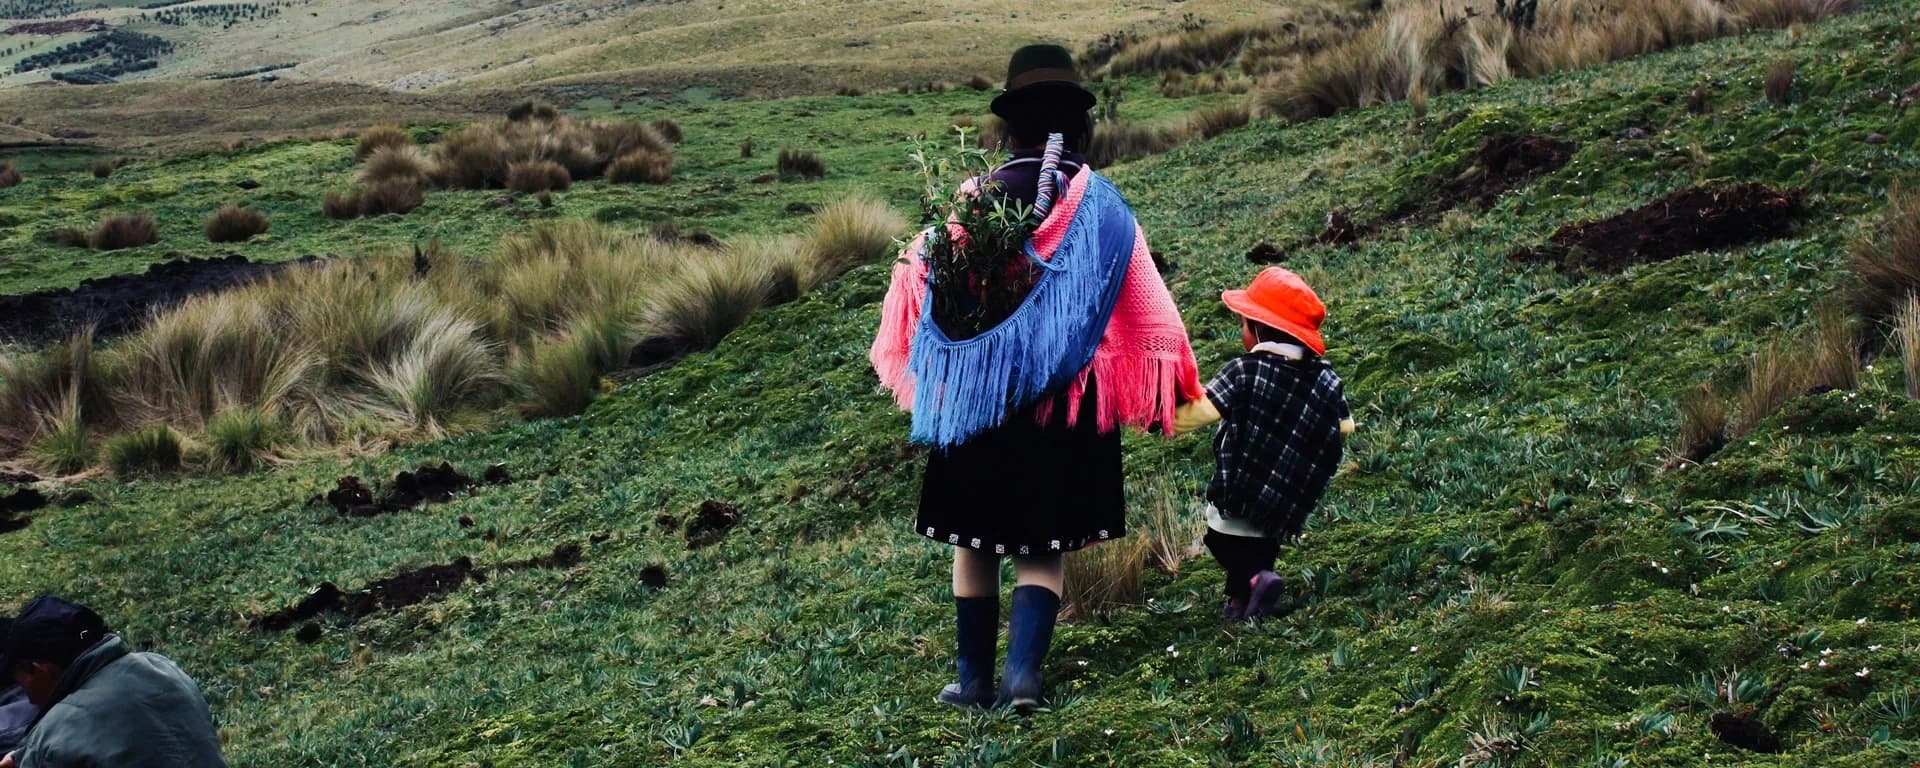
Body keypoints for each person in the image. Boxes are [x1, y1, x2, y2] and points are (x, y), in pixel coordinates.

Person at [872, 43, 1203, 711]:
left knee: (974, 542)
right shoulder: (1101, 207)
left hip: (980, 403)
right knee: (1040, 548)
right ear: (1077, 126)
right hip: (1066, 405)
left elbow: (917, 280)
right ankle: (1022, 677)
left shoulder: (976, 199)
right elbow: (1146, 302)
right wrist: (1176, 383)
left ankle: (971, 683)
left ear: (1010, 127)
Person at [1175, 267, 1354, 620]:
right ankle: (1243, 601)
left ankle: (1258, 579)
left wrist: (1161, 415)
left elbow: (1201, 413)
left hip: (1242, 487)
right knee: (1263, 543)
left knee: (1221, 538)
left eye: (1244, 322)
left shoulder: (1245, 370)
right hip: (1287, 495)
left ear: (1258, 327)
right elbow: (1344, 426)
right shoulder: (1325, 377)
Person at [0, 596, 228, 768]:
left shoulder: (54, 734)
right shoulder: (161, 666)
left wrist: (32, 756)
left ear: (40, 670)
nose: (28, 698)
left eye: (22, 684)